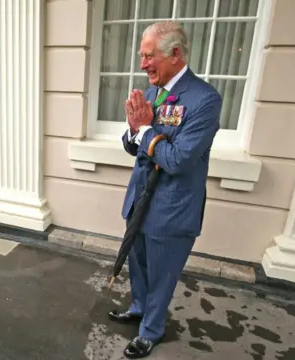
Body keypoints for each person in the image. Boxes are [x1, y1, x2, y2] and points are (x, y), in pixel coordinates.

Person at [108, 21, 222, 359]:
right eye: (142, 56)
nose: (142, 64)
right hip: (141, 201)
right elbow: (136, 146)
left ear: (174, 54)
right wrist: (133, 131)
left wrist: (144, 130)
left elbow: (178, 160)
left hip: (172, 208)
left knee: (161, 274)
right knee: (139, 264)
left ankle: (151, 331)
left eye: (148, 56)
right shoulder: (155, 91)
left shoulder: (204, 99)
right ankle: (140, 308)